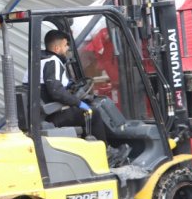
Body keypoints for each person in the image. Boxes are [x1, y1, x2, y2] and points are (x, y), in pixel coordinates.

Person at [25, 29, 129, 167]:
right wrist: (78, 102)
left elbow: (51, 86)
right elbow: (56, 91)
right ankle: (107, 154)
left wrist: (71, 87)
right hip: (52, 116)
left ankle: (90, 150)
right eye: (66, 45)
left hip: (41, 113)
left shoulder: (38, 61)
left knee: (84, 110)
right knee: (94, 113)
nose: (68, 48)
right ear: (57, 48)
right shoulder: (53, 61)